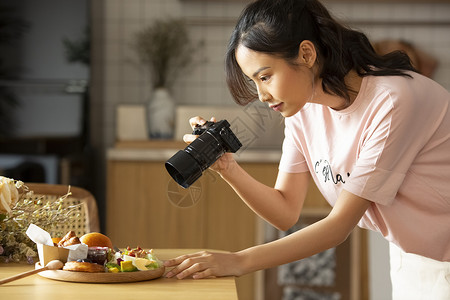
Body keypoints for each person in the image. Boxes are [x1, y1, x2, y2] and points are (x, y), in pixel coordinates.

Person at [163, 0, 450, 298]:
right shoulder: (304, 110)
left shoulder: (390, 103)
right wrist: (227, 168)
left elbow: (338, 227)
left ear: (306, 54)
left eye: (265, 76)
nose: (261, 95)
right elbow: (285, 211)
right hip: (411, 257)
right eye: (254, 81)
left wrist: (238, 261)